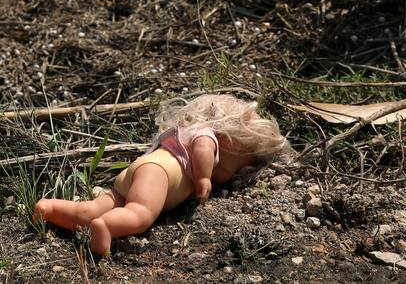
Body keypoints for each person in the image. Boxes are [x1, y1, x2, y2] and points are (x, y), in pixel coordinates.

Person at [34, 94, 291, 257]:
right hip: (158, 176)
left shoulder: (185, 132)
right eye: (234, 167)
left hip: (139, 169)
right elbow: (204, 147)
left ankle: (48, 209)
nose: (231, 174)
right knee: (140, 213)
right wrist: (203, 178)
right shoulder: (205, 136)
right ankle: (106, 228)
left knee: (92, 208)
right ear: (225, 138)